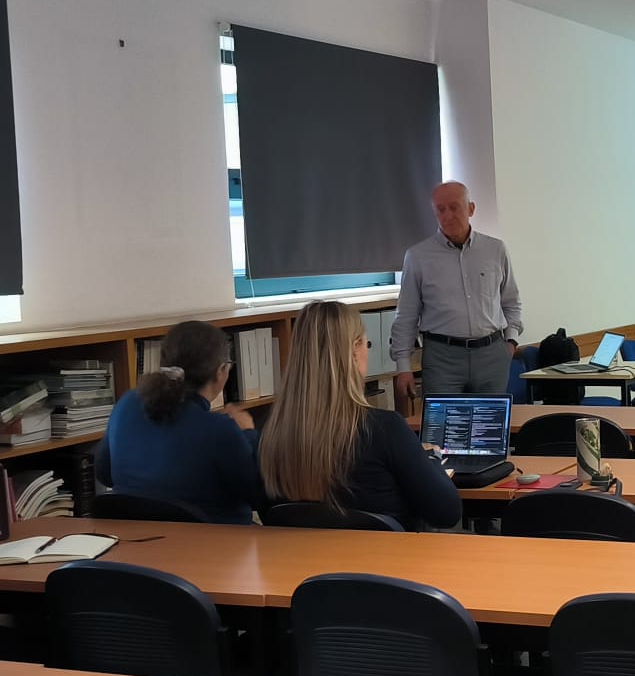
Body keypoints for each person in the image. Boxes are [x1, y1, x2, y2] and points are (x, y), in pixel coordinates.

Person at [262, 301, 462, 530]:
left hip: (302, 554)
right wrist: (431, 460)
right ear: (355, 349)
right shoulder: (386, 429)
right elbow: (447, 513)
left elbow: (271, 513)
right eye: (366, 344)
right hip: (387, 554)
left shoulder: (271, 434)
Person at [95, 321, 265, 524]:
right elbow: (258, 497)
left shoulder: (127, 403)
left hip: (136, 536)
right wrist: (249, 434)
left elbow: (104, 473)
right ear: (221, 370)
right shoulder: (220, 430)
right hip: (215, 539)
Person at [388, 181, 523, 406]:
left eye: (454, 207)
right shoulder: (418, 257)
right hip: (442, 359)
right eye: (440, 210)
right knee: (443, 425)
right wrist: (403, 367)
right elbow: (406, 315)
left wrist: (510, 342)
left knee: (489, 424)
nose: (448, 215)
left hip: (492, 355)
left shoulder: (495, 250)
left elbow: (511, 300)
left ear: (471, 208)